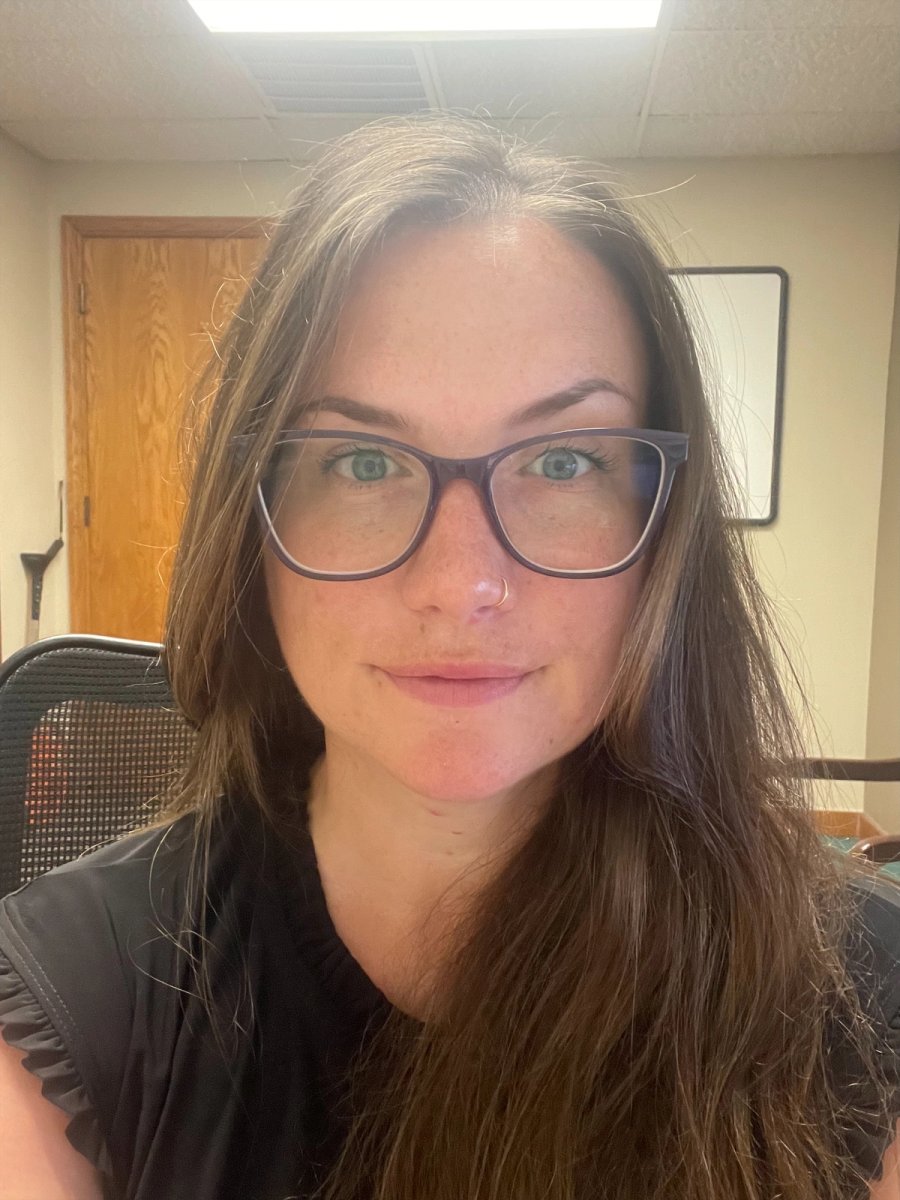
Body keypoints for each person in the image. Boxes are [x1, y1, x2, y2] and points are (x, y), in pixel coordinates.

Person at [1, 113, 899, 1200]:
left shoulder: (857, 1000)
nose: (460, 582)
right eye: (366, 461)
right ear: (253, 522)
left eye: (564, 460)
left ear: (665, 525)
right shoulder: (73, 1004)